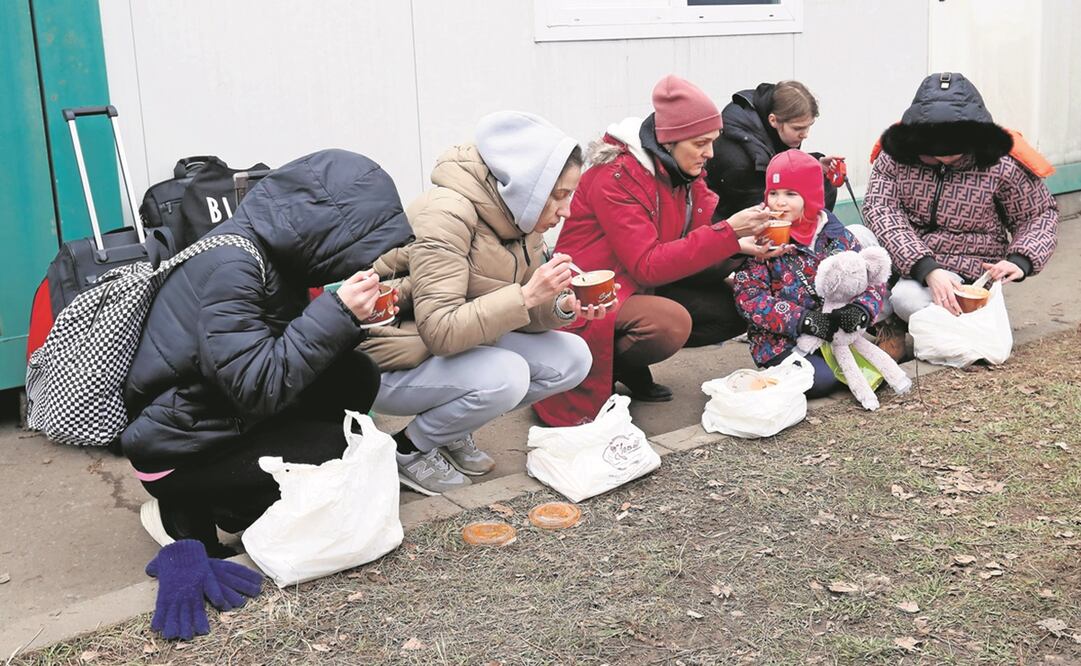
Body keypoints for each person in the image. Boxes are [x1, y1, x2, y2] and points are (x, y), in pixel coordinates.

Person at [123, 149, 414, 556]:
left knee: (354, 374)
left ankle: (239, 502)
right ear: (325, 230)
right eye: (357, 245)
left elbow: (273, 357)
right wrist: (338, 313)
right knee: (333, 447)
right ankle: (187, 510)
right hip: (177, 444)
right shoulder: (232, 267)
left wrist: (351, 323)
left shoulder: (270, 253)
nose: (362, 260)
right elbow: (256, 385)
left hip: (214, 414)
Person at [361, 111, 603, 496]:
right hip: (391, 355)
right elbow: (439, 331)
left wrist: (559, 305)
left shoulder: (520, 216)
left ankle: (452, 429)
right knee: (507, 375)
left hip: (459, 345)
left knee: (572, 357)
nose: (567, 210)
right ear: (526, 186)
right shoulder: (447, 213)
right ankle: (407, 450)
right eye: (559, 196)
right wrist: (525, 295)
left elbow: (517, 311)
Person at [533, 75, 776, 427]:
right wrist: (728, 232)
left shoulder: (679, 169)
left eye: (713, 142)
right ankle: (602, 368)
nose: (710, 153)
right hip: (594, 288)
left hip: (635, 281)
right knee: (669, 324)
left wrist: (738, 244)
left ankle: (625, 365)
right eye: (700, 143)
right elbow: (648, 264)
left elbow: (690, 238)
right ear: (670, 140)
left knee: (735, 306)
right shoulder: (617, 175)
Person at [864, 72, 1058, 331]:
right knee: (854, 238)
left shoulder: (1001, 162)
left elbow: (1038, 214)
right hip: (907, 252)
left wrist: (1020, 260)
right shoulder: (896, 155)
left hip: (963, 263)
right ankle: (888, 324)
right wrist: (926, 267)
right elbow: (880, 208)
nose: (942, 155)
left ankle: (957, 316)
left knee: (907, 299)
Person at [734, 150, 886, 398]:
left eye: (791, 194)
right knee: (820, 381)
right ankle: (778, 374)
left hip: (834, 334)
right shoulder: (760, 239)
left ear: (813, 197)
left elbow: (871, 278)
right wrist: (803, 320)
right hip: (781, 340)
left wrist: (861, 310)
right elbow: (749, 298)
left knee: (875, 367)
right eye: (773, 193)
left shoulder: (838, 236)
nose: (779, 202)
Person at [705, 80, 841, 222]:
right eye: (798, 128)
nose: (805, 134)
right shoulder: (739, 157)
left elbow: (774, 159)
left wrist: (814, 163)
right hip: (727, 220)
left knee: (822, 178)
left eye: (808, 126)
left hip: (750, 195)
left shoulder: (767, 122)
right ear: (773, 120)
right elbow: (759, 214)